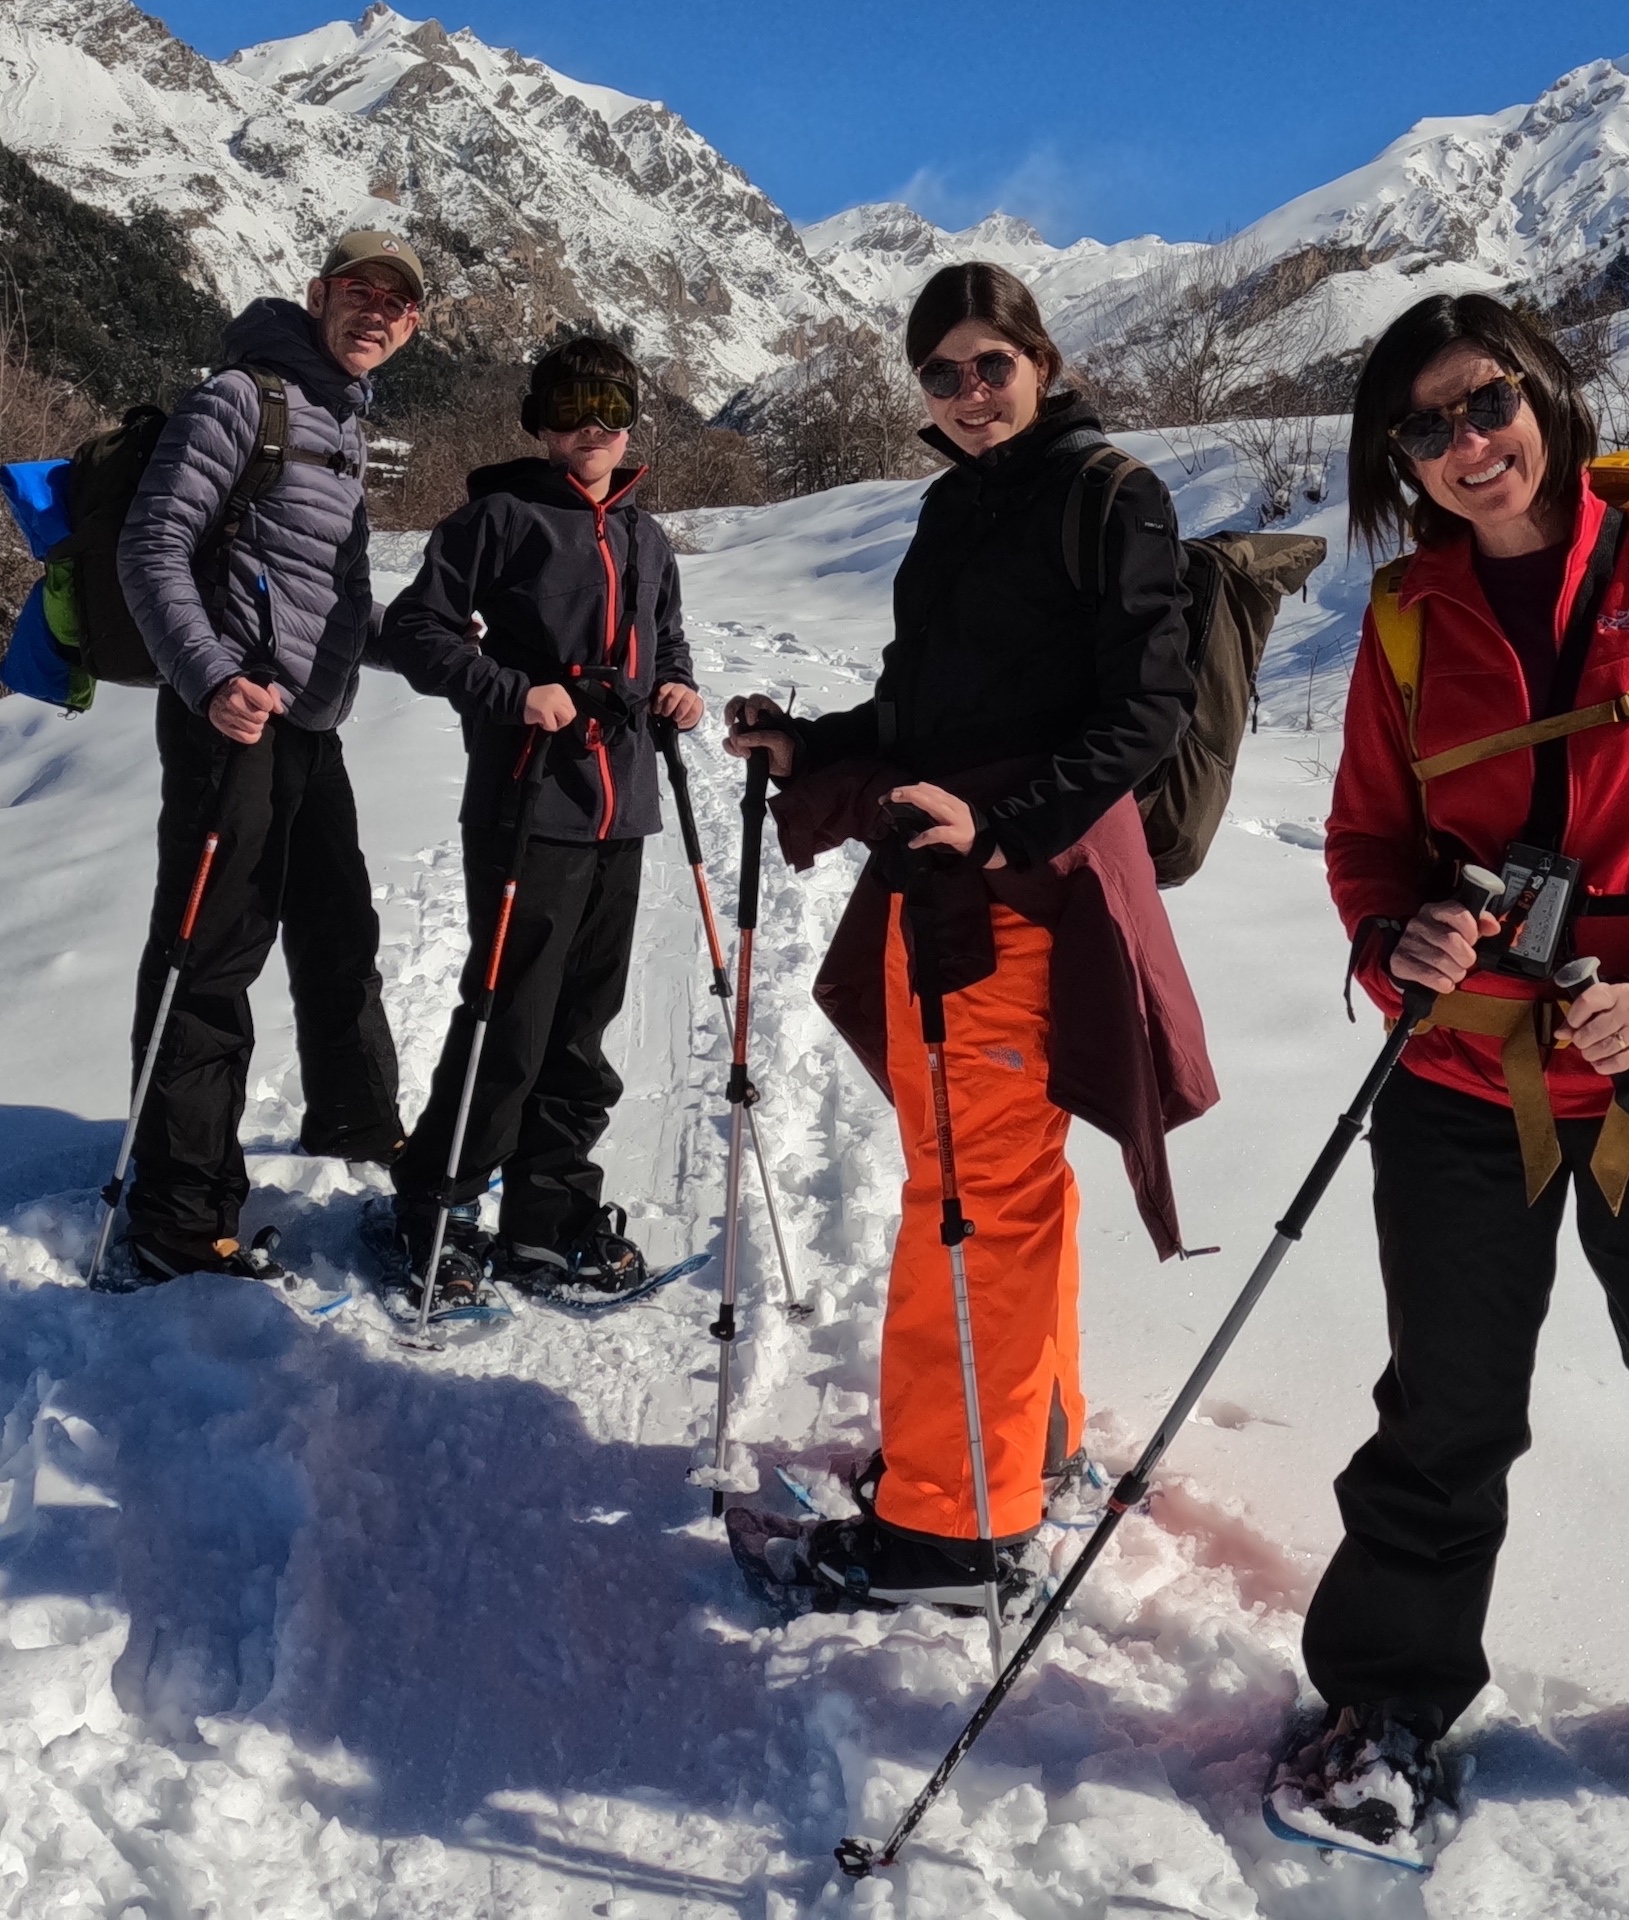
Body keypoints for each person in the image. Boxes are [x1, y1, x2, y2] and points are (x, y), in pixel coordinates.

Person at [1267, 292, 1629, 1863]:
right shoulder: (1407, 619)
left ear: (1545, 394)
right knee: (1447, 1407)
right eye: (1426, 426)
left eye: (1487, 404)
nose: (1467, 446)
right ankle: (1386, 1703)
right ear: (1395, 458)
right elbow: (1365, 845)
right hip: (1469, 1077)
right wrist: (1396, 936)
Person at [725, 261, 1217, 1609]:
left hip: (1015, 895)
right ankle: (1021, 1435)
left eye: (990, 362)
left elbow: (1144, 713)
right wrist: (811, 744)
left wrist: (1009, 832)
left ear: (1041, 362)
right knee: (1000, 1182)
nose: (967, 391)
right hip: (954, 886)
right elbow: (921, 713)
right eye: (939, 373)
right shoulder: (956, 507)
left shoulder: (1109, 495)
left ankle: (950, 1529)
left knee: (971, 1201)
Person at [116, 230, 427, 1283]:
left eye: (396, 303)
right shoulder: (243, 399)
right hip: (231, 721)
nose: (374, 312)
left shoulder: (342, 418)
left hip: (308, 726)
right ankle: (176, 1210)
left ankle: (359, 1128)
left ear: (412, 327)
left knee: (340, 929)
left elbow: (323, 597)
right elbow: (149, 546)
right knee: (210, 957)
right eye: (359, 292)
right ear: (319, 295)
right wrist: (209, 677)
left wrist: (430, 645)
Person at [378, 336, 702, 1295]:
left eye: (608, 409)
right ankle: (435, 1205)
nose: (590, 429)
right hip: (529, 805)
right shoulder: (499, 518)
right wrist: (513, 690)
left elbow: (665, 638)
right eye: (570, 411)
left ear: (631, 421)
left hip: (621, 809)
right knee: (508, 1021)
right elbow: (414, 630)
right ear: (540, 424)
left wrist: (676, 686)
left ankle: (548, 1214)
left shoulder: (646, 535)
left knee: (582, 1026)